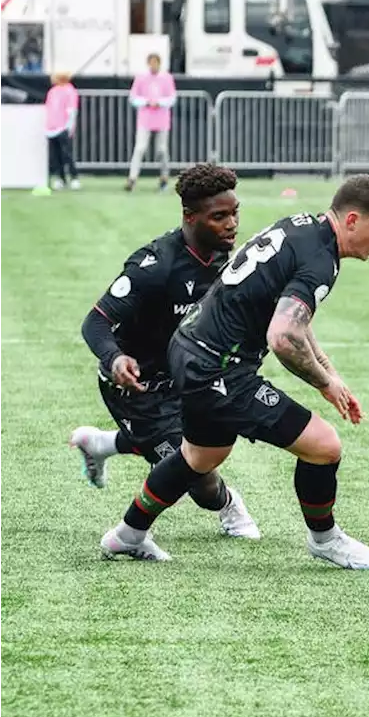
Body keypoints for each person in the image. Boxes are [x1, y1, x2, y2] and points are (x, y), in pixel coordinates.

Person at [98, 174, 369, 567]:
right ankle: (326, 540)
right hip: (217, 368)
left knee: (202, 455)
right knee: (325, 446)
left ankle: (127, 534)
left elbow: (294, 320)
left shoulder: (301, 227)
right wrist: (324, 381)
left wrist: (330, 375)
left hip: (188, 348)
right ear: (352, 221)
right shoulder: (320, 260)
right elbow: (283, 335)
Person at [70, 164, 260, 538]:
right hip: (138, 390)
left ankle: (100, 443)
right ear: (190, 217)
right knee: (195, 476)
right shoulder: (154, 266)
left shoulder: (229, 260)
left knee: (185, 446)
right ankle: (229, 506)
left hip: (186, 378)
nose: (232, 224)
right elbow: (94, 322)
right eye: (219, 217)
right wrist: (115, 358)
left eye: (235, 212)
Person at [126, 54, 177, 192]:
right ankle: (132, 178)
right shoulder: (141, 78)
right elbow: (133, 97)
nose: (153, 65)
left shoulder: (167, 78)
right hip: (145, 119)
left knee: (162, 150)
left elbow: (172, 98)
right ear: (148, 63)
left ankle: (164, 178)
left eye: (156, 63)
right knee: (140, 148)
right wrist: (146, 102)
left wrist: (159, 102)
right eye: (151, 63)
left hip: (162, 119)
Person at [45, 71, 80, 191]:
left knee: (66, 154)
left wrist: (69, 126)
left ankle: (74, 177)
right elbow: (49, 109)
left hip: (63, 127)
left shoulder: (70, 91)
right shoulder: (52, 92)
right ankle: (61, 178)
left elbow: (72, 110)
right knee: (55, 156)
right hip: (51, 128)